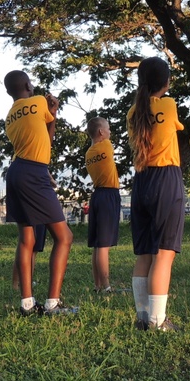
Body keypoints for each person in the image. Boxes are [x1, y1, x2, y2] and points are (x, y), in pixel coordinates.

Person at [3, 70, 75, 316]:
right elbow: (49, 140)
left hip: (15, 172)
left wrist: (51, 115)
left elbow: (43, 139)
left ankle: (27, 305)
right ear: (27, 84)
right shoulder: (39, 101)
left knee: (27, 240)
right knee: (64, 236)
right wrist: (53, 110)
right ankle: (53, 303)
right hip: (34, 172)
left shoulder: (10, 116)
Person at [127, 56, 185, 332]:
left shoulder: (132, 112)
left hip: (141, 180)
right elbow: (173, 127)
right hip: (166, 179)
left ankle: (142, 317)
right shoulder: (169, 105)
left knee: (145, 254)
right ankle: (158, 322)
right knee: (164, 253)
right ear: (166, 82)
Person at [85, 117, 122, 293]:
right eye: (108, 128)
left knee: (98, 244)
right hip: (109, 195)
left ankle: (97, 285)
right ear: (101, 132)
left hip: (98, 195)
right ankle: (107, 286)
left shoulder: (89, 153)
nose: (110, 132)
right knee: (103, 245)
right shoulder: (106, 145)